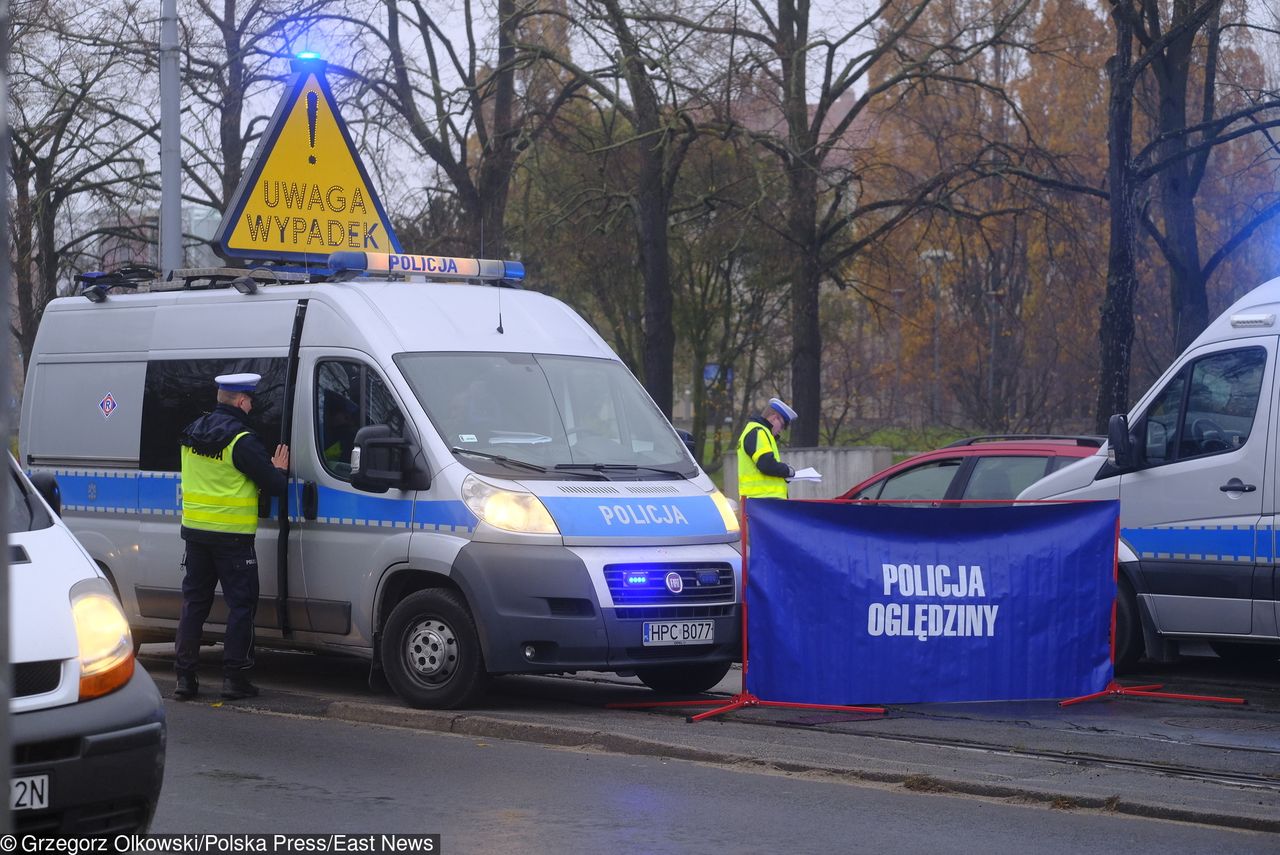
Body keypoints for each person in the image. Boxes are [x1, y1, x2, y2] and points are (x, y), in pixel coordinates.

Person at [173, 373, 289, 701]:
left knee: (194, 603)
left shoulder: (192, 432)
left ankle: (184, 677)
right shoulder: (242, 441)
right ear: (240, 401)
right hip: (233, 539)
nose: (252, 405)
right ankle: (234, 678)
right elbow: (276, 486)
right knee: (240, 605)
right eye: (250, 400)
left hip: (195, 534)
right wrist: (278, 468)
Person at [736, 397, 798, 503]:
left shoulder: (755, 431)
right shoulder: (759, 432)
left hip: (760, 500)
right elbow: (766, 464)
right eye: (782, 425)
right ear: (774, 418)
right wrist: (787, 470)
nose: (780, 430)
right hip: (763, 501)